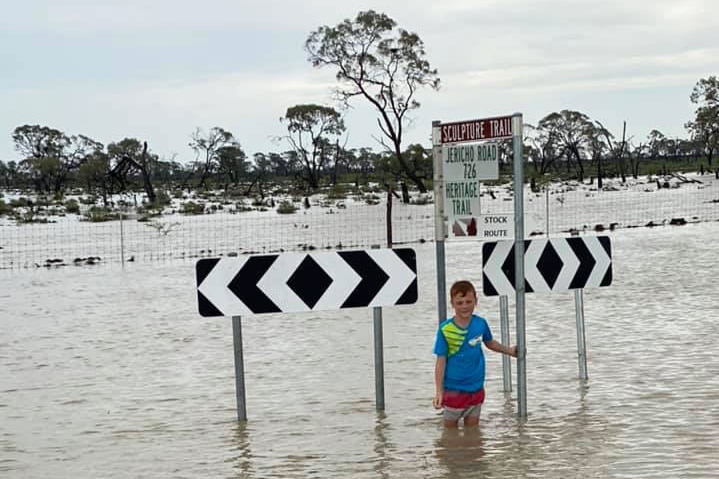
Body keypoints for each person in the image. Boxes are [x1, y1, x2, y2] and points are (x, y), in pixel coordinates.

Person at [433, 280, 518, 428]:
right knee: (450, 434)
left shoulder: (480, 324)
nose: (464, 306)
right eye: (459, 303)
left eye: (468, 301)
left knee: (473, 433)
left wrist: (510, 351)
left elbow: (490, 343)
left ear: (476, 301)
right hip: (454, 390)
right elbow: (441, 361)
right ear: (452, 303)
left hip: (477, 388)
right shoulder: (445, 330)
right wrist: (439, 391)